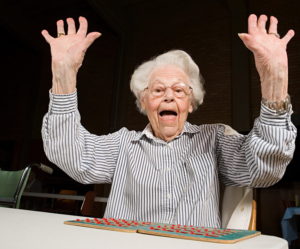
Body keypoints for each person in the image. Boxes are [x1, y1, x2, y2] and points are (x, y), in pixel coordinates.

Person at [41, 14, 296, 227]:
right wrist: (63, 75)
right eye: (158, 90)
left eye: (179, 90)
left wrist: (274, 80)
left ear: (190, 103)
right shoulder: (123, 144)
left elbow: (264, 170)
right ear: (144, 102)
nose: (169, 97)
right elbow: (72, 154)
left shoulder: (214, 139)